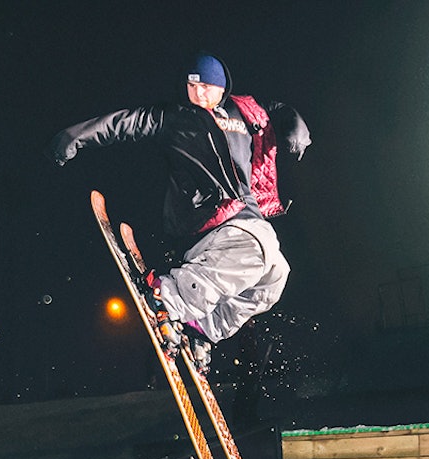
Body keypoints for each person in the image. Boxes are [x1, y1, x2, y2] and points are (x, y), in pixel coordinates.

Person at [50, 52, 311, 373]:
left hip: (245, 216)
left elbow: (279, 110)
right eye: (193, 86)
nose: (199, 94)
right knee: (256, 248)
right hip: (206, 217)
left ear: (223, 88)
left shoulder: (243, 112)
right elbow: (123, 122)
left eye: (207, 88)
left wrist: (296, 129)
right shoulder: (174, 116)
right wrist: (75, 135)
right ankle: (168, 296)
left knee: (275, 277)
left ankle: (203, 328)